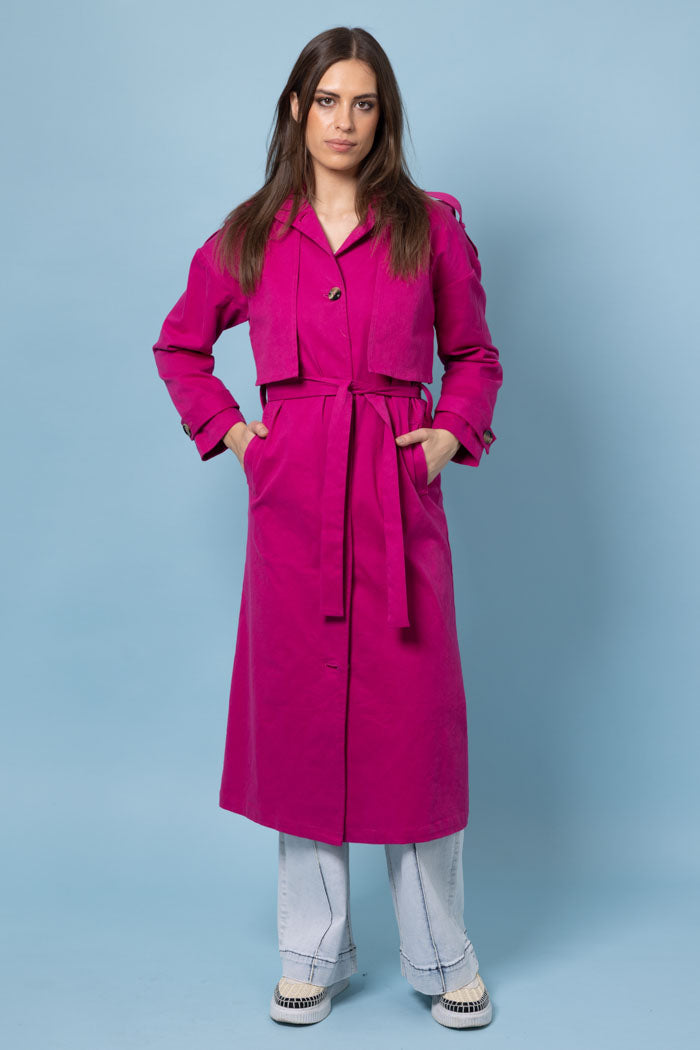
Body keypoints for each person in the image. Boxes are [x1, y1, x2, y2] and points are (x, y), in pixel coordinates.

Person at [152, 26, 503, 1029]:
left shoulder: (429, 230)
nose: (343, 121)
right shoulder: (251, 234)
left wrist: (448, 436)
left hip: (396, 502)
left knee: (413, 725)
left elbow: (474, 356)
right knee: (305, 722)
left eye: (363, 103)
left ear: (383, 117)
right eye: (326, 100)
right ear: (297, 111)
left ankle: (441, 955)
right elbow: (180, 347)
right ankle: (311, 950)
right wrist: (237, 438)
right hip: (294, 506)